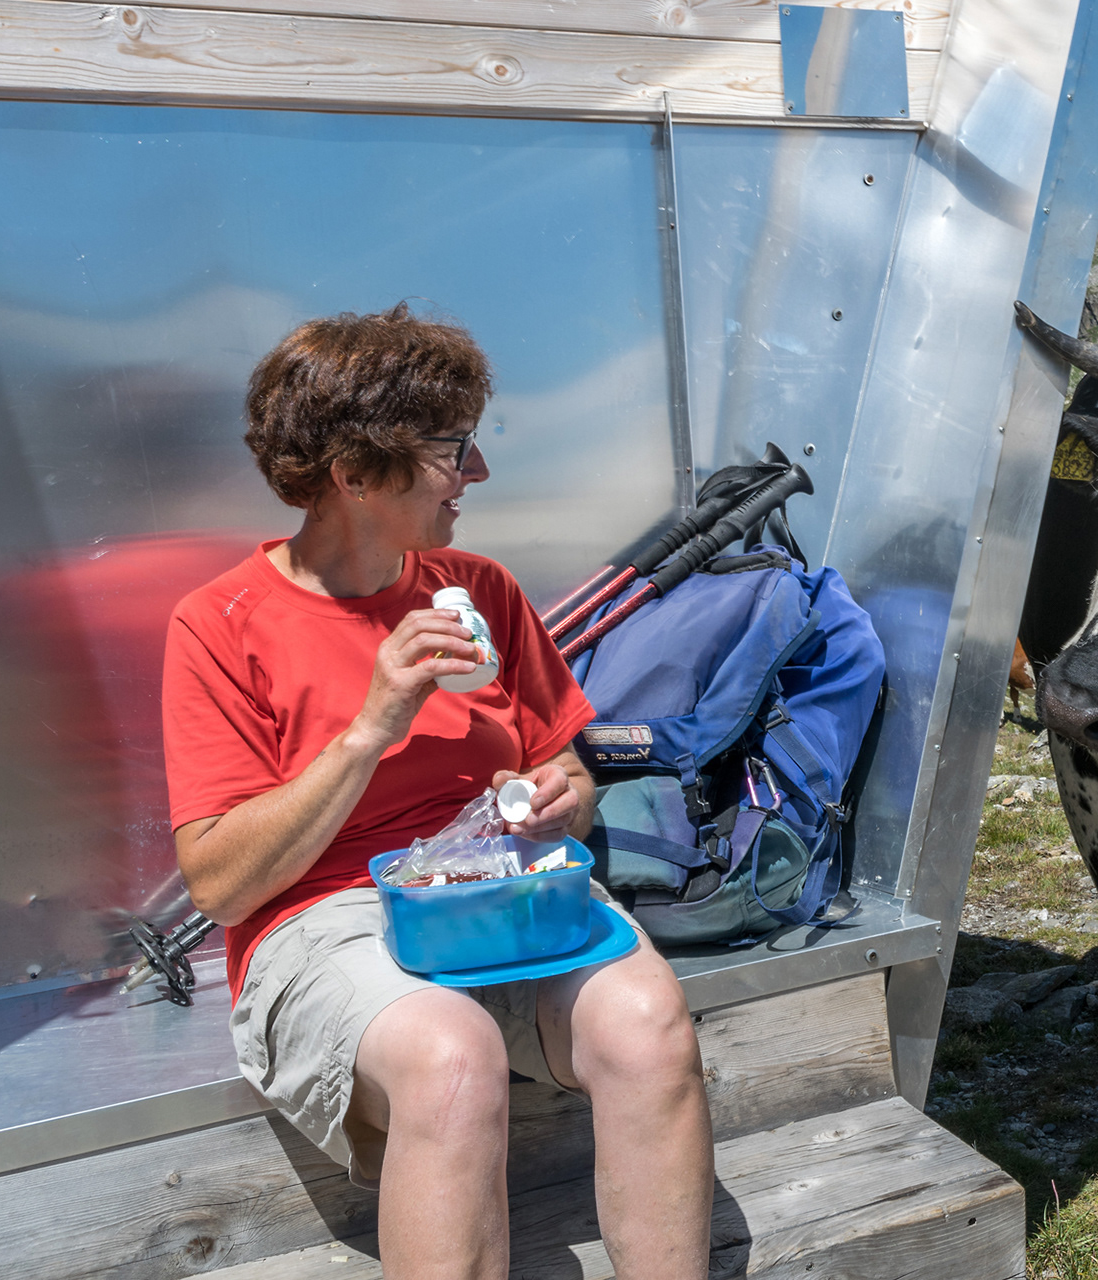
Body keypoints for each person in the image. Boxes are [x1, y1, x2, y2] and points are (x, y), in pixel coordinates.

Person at [162, 304, 714, 1279]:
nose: (480, 473)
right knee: (450, 1058)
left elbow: (570, 770)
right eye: (455, 448)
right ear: (354, 473)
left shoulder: (479, 587)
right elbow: (219, 885)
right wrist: (371, 724)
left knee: (649, 1018)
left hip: (502, 899)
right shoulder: (222, 623)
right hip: (324, 921)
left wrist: (558, 797)